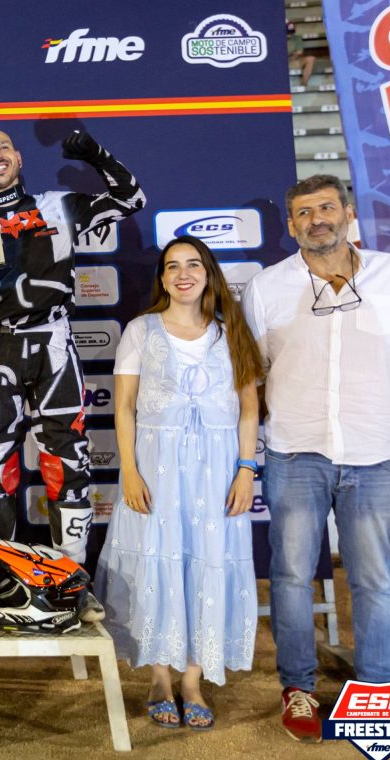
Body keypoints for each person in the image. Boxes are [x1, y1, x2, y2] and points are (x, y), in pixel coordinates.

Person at [243, 174, 390, 743]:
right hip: (295, 455)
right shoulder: (267, 288)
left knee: (375, 578)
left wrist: (377, 420)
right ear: (291, 226)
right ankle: (298, 687)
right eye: (304, 213)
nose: (317, 220)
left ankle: (376, 688)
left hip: (374, 459)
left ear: (348, 213)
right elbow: (254, 375)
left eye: (327, 208)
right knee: (290, 577)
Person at [0, 128, 144, 563]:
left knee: (68, 461)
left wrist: (96, 155)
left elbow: (132, 199)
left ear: (19, 158)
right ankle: (2, 573)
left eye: (3, 147)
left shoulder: (57, 205)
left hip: (53, 343)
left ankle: (70, 575)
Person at [95, 236, 261, 730]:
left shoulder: (232, 332)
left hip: (218, 472)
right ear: (163, 278)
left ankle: (193, 680)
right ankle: (160, 678)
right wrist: (129, 470)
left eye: (193, 265)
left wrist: (246, 470)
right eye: (172, 266)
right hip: (156, 470)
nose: (183, 274)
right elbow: (124, 407)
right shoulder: (141, 331)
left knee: (207, 563)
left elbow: (249, 410)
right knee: (158, 565)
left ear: (208, 274)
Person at [287, 21, 316, 88]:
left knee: (311, 59)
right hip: (280, 63)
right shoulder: (277, 39)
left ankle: (303, 84)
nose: (289, 34)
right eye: (288, 32)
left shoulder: (297, 38)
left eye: (291, 32)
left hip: (292, 61)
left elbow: (299, 52)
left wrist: (292, 56)